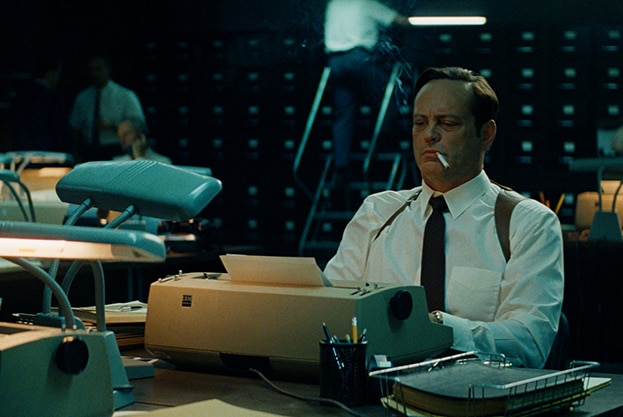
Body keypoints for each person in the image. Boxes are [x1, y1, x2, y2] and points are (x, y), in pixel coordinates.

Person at [323, 66, 564, 369]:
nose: (429, 136)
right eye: (419, 123)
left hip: (475, 400)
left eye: (447, 124)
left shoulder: (527, 223)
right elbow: (330, 310)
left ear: (486, 134)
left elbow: (529, 342)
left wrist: (434, 327)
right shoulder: (378, 213)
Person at [323, 0, 411, 185]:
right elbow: (399, 20)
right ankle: (384, 140)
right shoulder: (365, 3)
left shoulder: (335, 3)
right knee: (391, 93)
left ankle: (341, 166)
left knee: (344, 113)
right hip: (358, 57)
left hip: (335, 62)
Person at [69, 55, 146, 162]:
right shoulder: (82, 98)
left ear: (108, 69)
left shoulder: (125, 95)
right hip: (89, 151)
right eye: (92, 70)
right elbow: (75, 128)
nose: (95, 74)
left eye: (99, 69)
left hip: (116, 150)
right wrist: (75, 152)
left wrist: (112, 125)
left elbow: (138, 125)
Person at [9, 54, 73, 153]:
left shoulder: (21, 95)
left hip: (23, 153)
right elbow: (58, 130)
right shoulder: (51, 97)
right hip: (50, 154)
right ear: (50, 72)